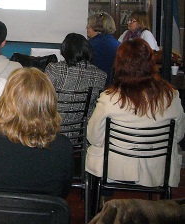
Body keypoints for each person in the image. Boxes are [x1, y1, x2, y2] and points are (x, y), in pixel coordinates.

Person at [0, 68, 74, 198]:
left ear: (5, 100)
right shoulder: (62, 148)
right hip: (38, 218)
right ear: (49, 104)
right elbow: (62, 194)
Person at [86, 39, 185, 188]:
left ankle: (101, 201)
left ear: (119, 64)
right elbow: (178, 135)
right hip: (158, 168)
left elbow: (93, 136)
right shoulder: (171, 96)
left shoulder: (109, 98)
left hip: (115, 168)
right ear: (151, 63)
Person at [45, 33, 107, 120]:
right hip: (82, 128)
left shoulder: (55, 69)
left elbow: (43, 99)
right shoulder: (101, 75)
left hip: (54, 126)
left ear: (65, 49)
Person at [87, 12, 120, 87]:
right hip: (113, 87)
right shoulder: (119, 45)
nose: (87, 27)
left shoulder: (89, 45)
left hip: (93, 87)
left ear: (97, 27)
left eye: (89, 25)